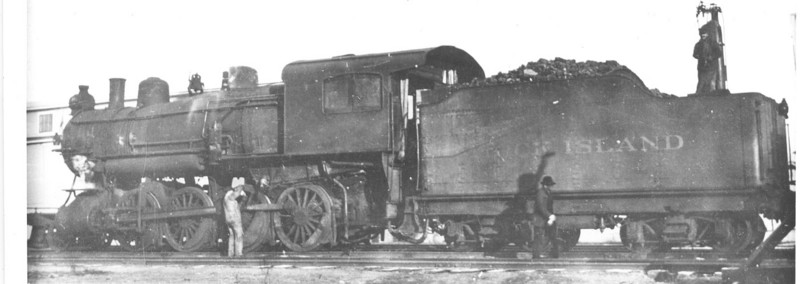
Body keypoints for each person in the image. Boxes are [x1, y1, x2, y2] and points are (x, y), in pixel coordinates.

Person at [532, 175, 559, 258]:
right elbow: (540, 207)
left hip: (547, 218)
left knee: (552, 236)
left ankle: (554, 254)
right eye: (549, 184)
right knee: (539, 238)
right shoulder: (541, 193)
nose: (551, 186)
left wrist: (551, 216)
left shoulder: (548, 192)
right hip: (541, 219)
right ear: (545, 185)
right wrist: (549, 215)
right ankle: (536, 256)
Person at [693, 26, 722, 94]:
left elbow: (719, 53)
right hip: (702, 68)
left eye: (704, 34)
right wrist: (700, 57)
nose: (703, 35)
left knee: (711, 84)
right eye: (702, 34)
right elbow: (694, 54)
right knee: (701, 84)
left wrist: (711, 57)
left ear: (707, 34)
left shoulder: (713, 43)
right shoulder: (698, 44)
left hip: (711, 67)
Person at [223, 185, 247, 257]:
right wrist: (241, 189)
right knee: (239, 235)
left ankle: (230, 254)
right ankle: (239, 253)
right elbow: (236, 194)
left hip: (228, 219)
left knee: (231, 235)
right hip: (234, 218)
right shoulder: (230, 196)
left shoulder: (225, 198)